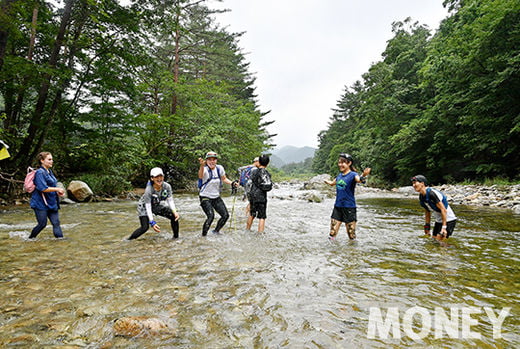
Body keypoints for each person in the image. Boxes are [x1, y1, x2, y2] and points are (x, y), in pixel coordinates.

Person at [324, 153, 371, 241]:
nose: (340, 165)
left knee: (351, 235)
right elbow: (332, 183)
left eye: (343, 163)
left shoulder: (353, 175)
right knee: (332, 233)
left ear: (349, 163)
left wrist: (364, 175)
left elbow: (359, 180)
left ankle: (353, 252)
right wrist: (326, 181)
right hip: (338, 207)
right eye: (339, 163)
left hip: (349, 207)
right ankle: (331, 252)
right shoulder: (339, 176)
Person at [128, 167, 180, 240]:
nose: (159, 179)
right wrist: (152, 222)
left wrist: (175, 211)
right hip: (144, 207)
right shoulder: (149, 190)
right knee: (145, 227)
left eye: (161, 176)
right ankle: (129, 240)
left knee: (174, 216)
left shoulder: (167, 186)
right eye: (156, 177)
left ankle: (176, 238)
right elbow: (148, 207)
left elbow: (170, 200)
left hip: (156, 204)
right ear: (152, 178)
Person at [198, 151, 237, 236]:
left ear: (216, 160)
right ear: (206, 161)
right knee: (211, 216)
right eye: (209, 160)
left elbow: (224, 178)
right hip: (205, 197)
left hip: (216, 197)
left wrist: (232, 183)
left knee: (225, 215)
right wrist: (201, 165)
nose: (212, 162)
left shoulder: (220, 168)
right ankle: (203, 236)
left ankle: (216, 231)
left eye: (214, 160)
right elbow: (200, 176)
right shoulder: (204, 169)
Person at [29, 152, 66, 239]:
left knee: (56, 223)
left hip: (52, 202)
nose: (52, 161)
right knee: (42, 224)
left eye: (52, 159)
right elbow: (43, 188)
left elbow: (52, 185)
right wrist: (57, 189)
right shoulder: (40, 173)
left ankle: (61, 241)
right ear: (42, 161)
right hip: (40, 203)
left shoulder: (49, 171)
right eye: (49, 159)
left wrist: (57, 192)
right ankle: (30, 239)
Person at [411, 175, 457, 240]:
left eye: (415, 183)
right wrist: (427, 226)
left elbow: (443, 210)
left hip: (448, 220)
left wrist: (444, 227)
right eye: (413, 183)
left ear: (422, 183)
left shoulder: (431, 193)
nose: (413, 185)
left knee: (440, 242)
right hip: (439, 221)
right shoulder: (421, 196)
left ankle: (452, 249)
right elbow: (427, 211)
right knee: (434, 240)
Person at [246, 154, 272, 233]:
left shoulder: (253, 172)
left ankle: (247, 230)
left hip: (253, 196)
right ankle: (260, 233)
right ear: (267, 163)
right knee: (262, 217)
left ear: (259, 162)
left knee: (252, 214)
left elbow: (249, 183)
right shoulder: (267, 173)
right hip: (261, 197)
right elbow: (268, 187)